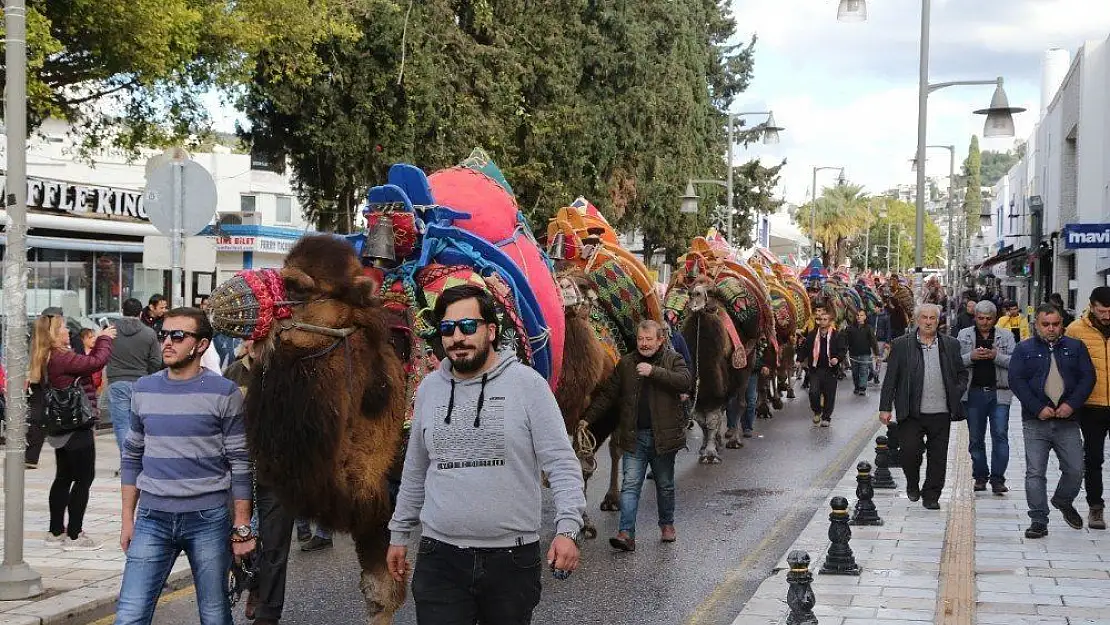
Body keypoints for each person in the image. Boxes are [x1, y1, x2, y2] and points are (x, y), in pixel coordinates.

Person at [387, 285, 585, 623]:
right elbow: (416, 470)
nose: (457, 338)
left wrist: (568, 528)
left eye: (467, 326)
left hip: (511, 560)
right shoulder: (430, 390)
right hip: (440, 558)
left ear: (491, 331)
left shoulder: (527, 385)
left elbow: (561, 463)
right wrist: (399, 534)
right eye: (448, 329)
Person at [115, 308, 253, 625]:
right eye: (164, 334)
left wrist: (242, 526)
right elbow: (132, 456)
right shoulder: (144, 389)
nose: (167, 342)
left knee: (214, 615)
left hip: (208, 519)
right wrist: (127, 519)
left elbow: (240, 462)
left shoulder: (224, 392)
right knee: (129, 615)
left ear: (201, 344)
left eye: (178, 336)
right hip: (152, 518)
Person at [581, 319, 691, 551]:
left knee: (665, 485)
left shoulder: (673, 360)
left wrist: (655, 372)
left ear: (660, 340)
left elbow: (685, 382)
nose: (644, 344)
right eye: (640, 339)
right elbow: (608, 395)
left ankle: (667, 525)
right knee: (630, 486)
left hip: (663, 438)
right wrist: (587, 419)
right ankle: (625, 534)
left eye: (649, 339)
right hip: (634, 437)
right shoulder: (627, 364)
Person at [30, 314, 116, 550]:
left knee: (64, 476)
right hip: (76, 424)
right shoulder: (61, 357)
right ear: (54, 334)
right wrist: (104, 339)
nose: (68, 330)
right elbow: (95, 362)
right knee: (83, 478)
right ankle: (75, 535)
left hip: (60, 425)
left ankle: (56, 531)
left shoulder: (46, 357)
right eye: (64, 327)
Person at [1010, 304, 1094, 538]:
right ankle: (1038, 519)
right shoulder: (1024, 349)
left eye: (1055, 324)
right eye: (1045, 324)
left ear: (1062, 325)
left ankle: (1063, 500)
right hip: (1036, 422)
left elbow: (1087, 378)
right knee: (1035, 472)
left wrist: (1071, 405)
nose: (1050, 329)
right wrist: (1037, 408)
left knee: (1076, 469)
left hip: (1067, 421)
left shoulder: (1076, 348)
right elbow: (1016, 380)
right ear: (1036, 324)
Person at [880, 303, 968, 510]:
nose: (928, 322)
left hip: (941, 412)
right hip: (911, 411)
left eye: (933, 318)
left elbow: (962, 373)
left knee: (938, 457)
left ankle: (932, 495)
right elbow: (891, 378)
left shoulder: (951, 344)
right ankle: (912, 482)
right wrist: (885, 407)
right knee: (909, 452)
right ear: (917, 320)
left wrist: (956, 391)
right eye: (924, 318)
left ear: (938, 321)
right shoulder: (902, 344)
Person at [957, 300, 1016, 494]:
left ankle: (998, 478)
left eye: (988, 318)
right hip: (973, 393)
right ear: (975, 317)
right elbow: (956, 363)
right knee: (975, 438)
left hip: (999, 391)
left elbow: (1014, 362)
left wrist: (995, 356)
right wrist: (971, 356)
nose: (984, 322)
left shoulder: (1006, 336)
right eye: (980, 318)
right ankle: (980, 476)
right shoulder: (964, 335)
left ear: (995, 318)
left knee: (1000, 435)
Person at [1064, 285, 1110, 530]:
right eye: (1102, 311)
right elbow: (1067, 368)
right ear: (1092, 306)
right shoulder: (1076, 330)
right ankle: (1095, 507)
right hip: (1091, 405)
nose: (1107, 316)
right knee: (1093, 458)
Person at [106, 298, 162, 458]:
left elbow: (102, 353)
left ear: (122, 311)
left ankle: (128, 460)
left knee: (122, 424)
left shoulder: (111, 331)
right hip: (141, 382)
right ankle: (140, 458)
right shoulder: (149, 333)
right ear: (140, 313)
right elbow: (156, 361)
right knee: (140, 423)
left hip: (116, 382)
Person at [798, 308, 846, 427]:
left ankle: (826, 417)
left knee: (829, 394)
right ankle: (817, 411)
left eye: (825, 319)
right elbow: (805, 349)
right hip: (816, 369)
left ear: (830, 322)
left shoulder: (836, 335)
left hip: (831, 370)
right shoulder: (812, 335)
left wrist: (837, 359)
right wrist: (799, 360)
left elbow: (842, 350)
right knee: (813, 392)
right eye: (820, 319)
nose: (822, 321)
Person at [844, 309, 880, 396]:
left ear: (865, 317)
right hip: (854, 354)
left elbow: (873, 341)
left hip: (865, 354)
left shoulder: (868, 328)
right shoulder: (850, 328)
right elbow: (845, 341)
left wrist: (876, 354)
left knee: (864, 371)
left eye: (861, 315)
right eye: (858, 315)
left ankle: (862, 388)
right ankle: (857, 387)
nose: (859, 317)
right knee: (855, 372)